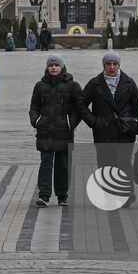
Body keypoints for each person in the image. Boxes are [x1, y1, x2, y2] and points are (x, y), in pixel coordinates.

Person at [81, 50, 138, 198]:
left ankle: (127, 193)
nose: (112, 67)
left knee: (123, 162)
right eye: (109, 64)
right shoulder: (95, 83)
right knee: (106, 164)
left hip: (125, 130)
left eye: (115, 64)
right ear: (104, 65)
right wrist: (94, 121)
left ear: (119, 65)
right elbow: (81, 104)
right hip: (103, 131)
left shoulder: (129, 82)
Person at [29, 53, 86, 206]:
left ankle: (62, 195)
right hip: (45, 131)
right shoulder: (40, 86)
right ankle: (44, 195)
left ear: (62, 67)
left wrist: (70, 123)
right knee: (46, 163)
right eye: (51, 65)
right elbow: (34, 106)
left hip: (64, 132)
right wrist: (36, 120)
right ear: (47, 67)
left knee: (63, 165)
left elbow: (79, 108)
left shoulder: (73, 86)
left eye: (56, 65)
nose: (54, 67)